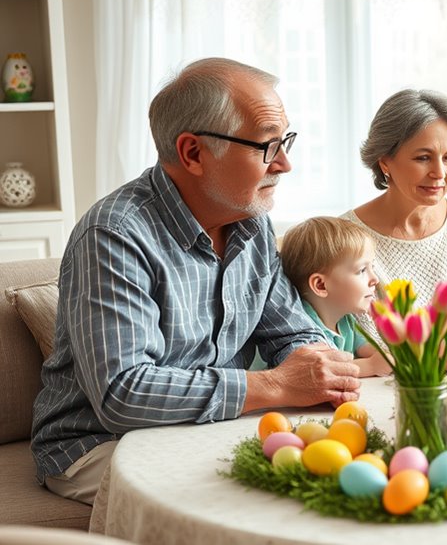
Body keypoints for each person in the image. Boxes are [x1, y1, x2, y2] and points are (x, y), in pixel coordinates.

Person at [30, 58, 361, 505]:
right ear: (193, 153)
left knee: (335, 468)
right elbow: (122, 394)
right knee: (254, 498)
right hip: (97, 444)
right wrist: (277, 385)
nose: (284, 163)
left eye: (286, 141)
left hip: (205, 425)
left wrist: (314, 363)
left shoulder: (250, 220)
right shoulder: (114, 235)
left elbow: (290, 329)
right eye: (267, 146)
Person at [342, 89, 447, 368]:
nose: (440, 173)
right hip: (391, 386)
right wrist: (433, 350)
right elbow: (362, 335)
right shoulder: (345, 235)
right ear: (385, 161)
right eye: (423, 158)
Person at [279, 216, 391, 377]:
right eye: (361, 271)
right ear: (321, 285)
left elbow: (369, 350)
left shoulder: (345, 320)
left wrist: (388, 330)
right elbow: (322, 371)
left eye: (372, 267)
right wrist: (371, 366)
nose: (375, 279)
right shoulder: (302, 329)